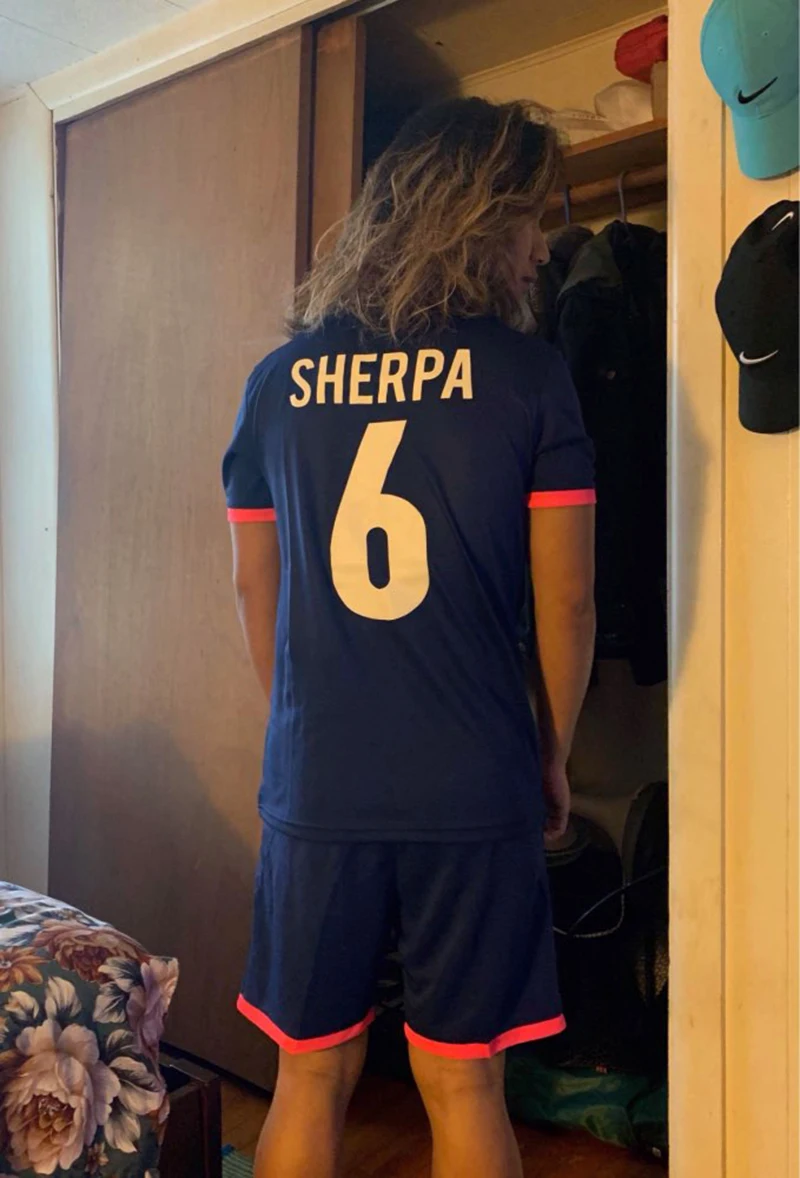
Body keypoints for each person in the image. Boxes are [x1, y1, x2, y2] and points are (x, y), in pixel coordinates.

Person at [222, 97, 596, 1178]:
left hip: (319, 778)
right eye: (529, 216)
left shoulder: (276, 383)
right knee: (462, 1080)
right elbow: (568, 604)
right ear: (474, 216)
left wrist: (306, 733)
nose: (542, 247)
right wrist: (551, 752)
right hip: (472, 777)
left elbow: (256, 585)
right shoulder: (529, 377)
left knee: (307, 1073)